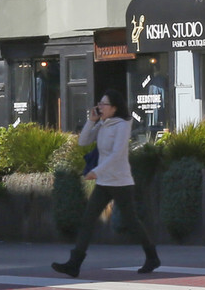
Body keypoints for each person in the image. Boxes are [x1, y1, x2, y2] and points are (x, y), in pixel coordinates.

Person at [53, 94, 159, 278]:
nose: (100, 106)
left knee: (132, 221)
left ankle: (152, 256)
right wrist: (91, 121)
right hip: (104, 182)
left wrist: (97, 171)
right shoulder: (103, 123)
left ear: (114, 107)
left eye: (104, 103)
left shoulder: (123, 125)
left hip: (120, 181)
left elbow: (117, 154)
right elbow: (83, 141)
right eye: (99, 103)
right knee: (88, 219)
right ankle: (75, 263)